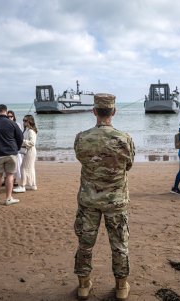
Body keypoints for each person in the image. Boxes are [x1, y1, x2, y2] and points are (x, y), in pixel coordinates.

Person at [73, 93, 135, 301]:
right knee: (119, 245)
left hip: (89, 200)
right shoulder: (124, 139)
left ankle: (83, 286)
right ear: (113, 112)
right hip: (116, 201)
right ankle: (120, 287)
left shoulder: (82, 137)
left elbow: (82, 159)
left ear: (94, 111)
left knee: (85, 243)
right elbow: (128, 165)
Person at [15, 114, 37, 192]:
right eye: (23, 120)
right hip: (28, 151)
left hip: (30, 151)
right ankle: (33, 185)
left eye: (25, 120)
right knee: (30, 168)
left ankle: (22, 186)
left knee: (23, 168)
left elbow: (32, 143)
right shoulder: (26, 130)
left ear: (29, 121)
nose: (23, 122)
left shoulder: (31, 131)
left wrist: (21, 141)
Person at [7, 110, 24, 191]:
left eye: (11, 116)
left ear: (14, 117)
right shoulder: (4, 125)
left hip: (15, 148)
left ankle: (16, 180)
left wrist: (18, 146)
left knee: (17, 165)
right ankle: (8, 180)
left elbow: (20, 136)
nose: (10, 118)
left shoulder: (17, 124)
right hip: (7, 149)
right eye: (8, 116)